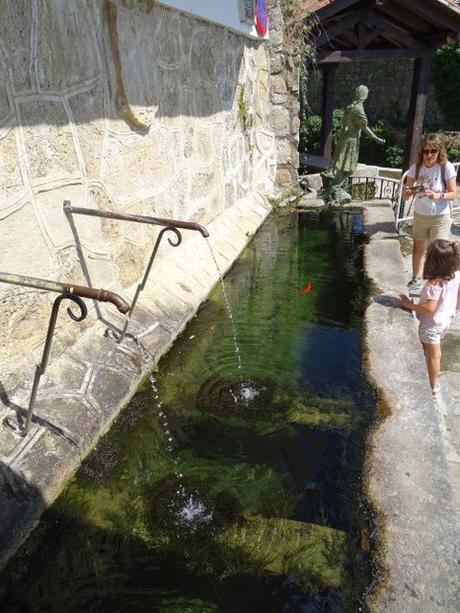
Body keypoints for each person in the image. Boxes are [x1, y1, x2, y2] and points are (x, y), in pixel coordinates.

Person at [399, 240, 460, 396]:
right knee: (430, 352)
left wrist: (409, 305)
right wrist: (453, 309)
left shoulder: (435, 284)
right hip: (445, 320)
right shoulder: (456, 276)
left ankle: (433, 386)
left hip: (431, 325)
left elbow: (429, 308)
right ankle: (429, 374)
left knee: (434, 356)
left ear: (433, 262)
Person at [404, 133, 457, 292]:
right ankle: (416, 279)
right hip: (420, 215)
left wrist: (437, 195)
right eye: (426, 151)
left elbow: (454, 193)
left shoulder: (445, 167)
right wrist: (408, 192)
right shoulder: (416, 167)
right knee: (418, 249)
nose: (429, 155)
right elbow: (405, 194)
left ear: (439, 151)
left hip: (440, 217)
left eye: (433, 151)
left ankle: (437, 286)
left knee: (438, 251)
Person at [323, 85, 385, 203]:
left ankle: (336, 188)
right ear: (363, 95)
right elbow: (364, 127)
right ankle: (336, 187)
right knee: (347, 166)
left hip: (345, 138)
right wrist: (375, 138)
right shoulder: (358, 109)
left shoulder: (351, 107)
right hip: (351, 141)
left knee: (343, 164)